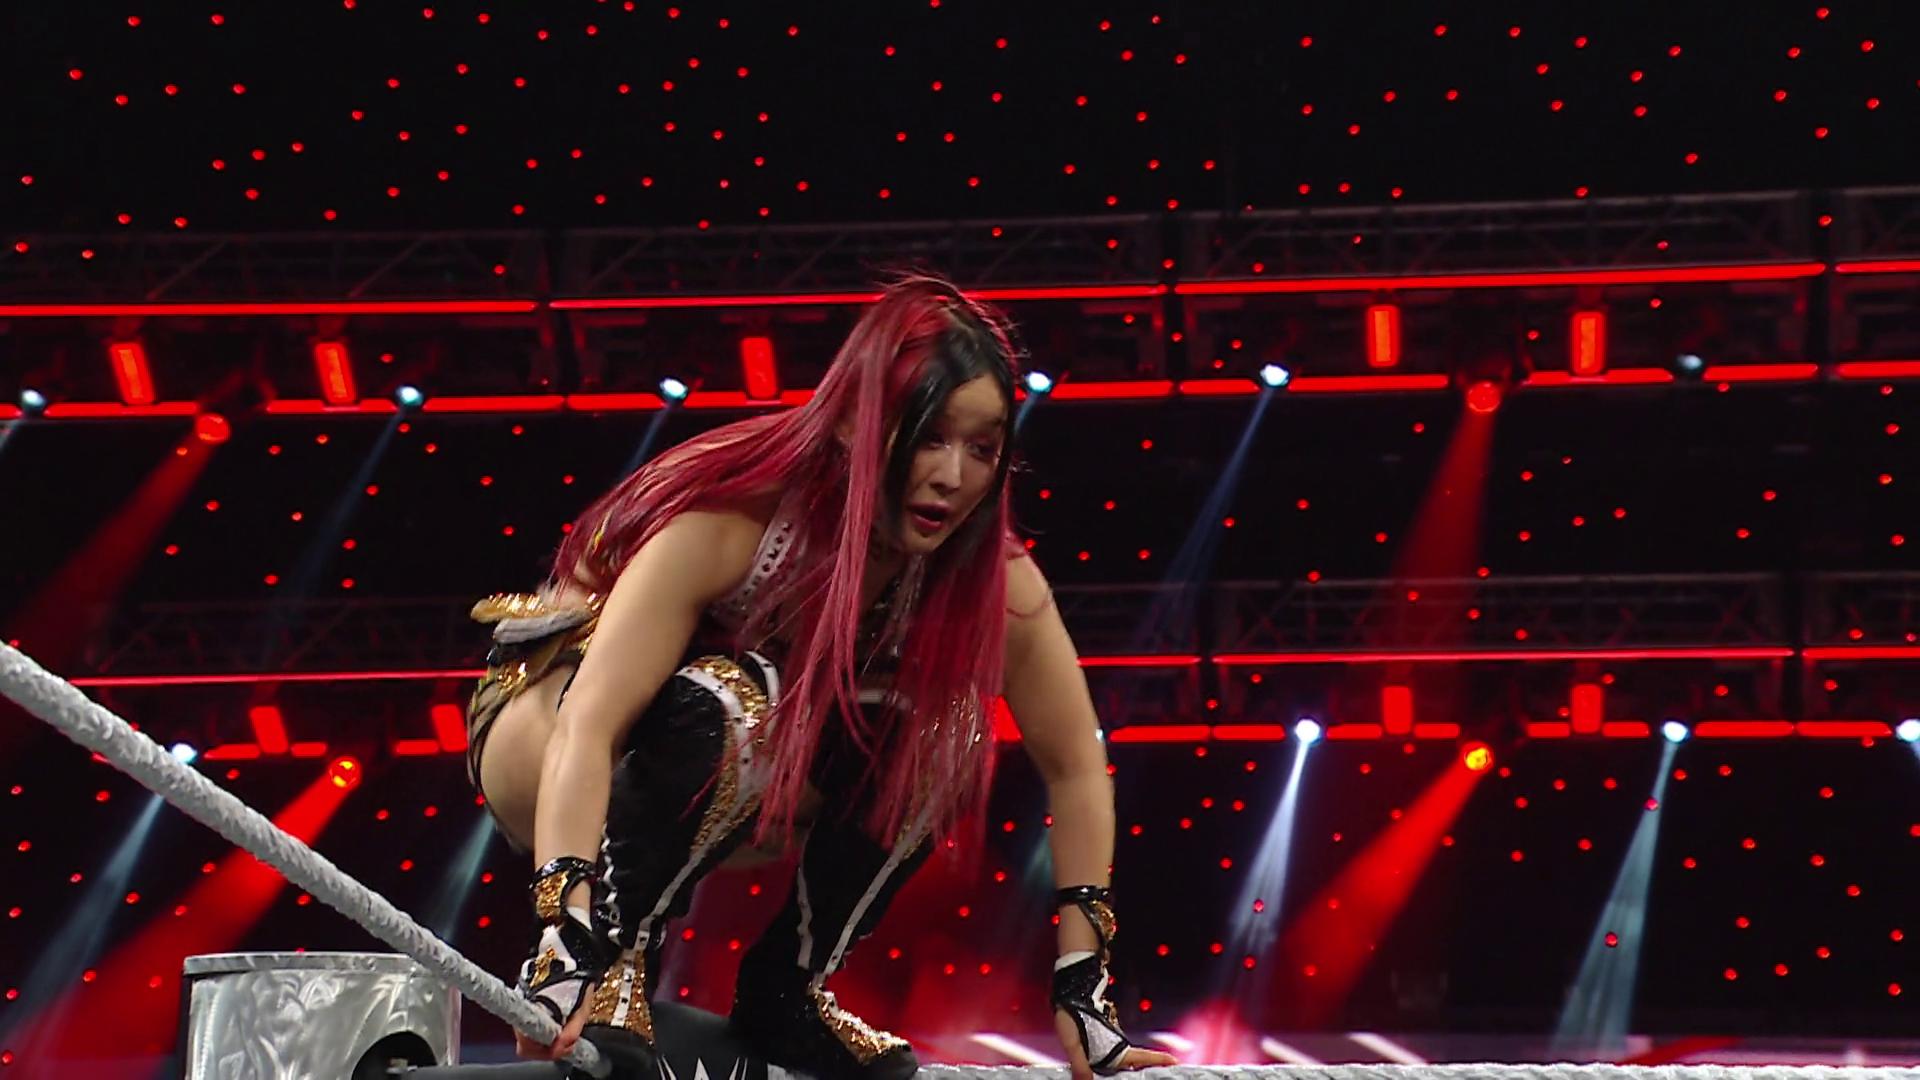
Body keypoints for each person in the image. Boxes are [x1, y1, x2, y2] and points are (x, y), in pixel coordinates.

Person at [461, 275, 1177, 1080]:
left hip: (731, 782)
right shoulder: (738, 516)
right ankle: (617, 955)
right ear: (852, 424)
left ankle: (788, 988)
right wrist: (568, 943)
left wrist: (1083, 991)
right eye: (929, 436)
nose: (953, 475)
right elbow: (589, 724)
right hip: (547, 740)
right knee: (742, 700)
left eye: (982, 448)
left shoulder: (990, 579)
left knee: (944, 732)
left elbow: (1076, 764)